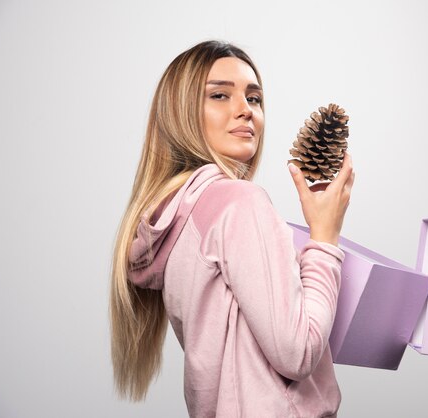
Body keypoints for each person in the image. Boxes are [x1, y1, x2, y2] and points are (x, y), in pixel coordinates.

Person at [110, 40, 355, 417]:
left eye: (254, 98)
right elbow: (298, 352)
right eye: (220, 95)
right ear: (181, 113)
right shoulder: (237, 203)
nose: (245, 111)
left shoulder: (178, 220)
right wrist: (324, 237)